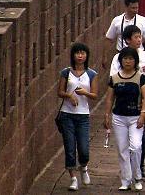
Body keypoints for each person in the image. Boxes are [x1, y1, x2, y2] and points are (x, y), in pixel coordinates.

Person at [105, 47, 145, 191]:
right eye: (125, 59)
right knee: (122, 149)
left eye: (130, 59)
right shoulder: (115, 78)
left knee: (136, 146)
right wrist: (107, 115)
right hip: (119, 117)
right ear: (121, 61)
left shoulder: (140, 77)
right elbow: (110, 98)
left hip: (135, 117)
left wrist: (143, 114)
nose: (128, 61)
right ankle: (126, 180)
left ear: (135, 61)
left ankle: (137, 177)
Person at [57, 42, 99, 191]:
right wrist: (69, 96)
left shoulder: (92, 74)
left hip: (83, 115)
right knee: (69, 146)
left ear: (86, 55)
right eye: (77, 53)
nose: (80, 56)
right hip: (67, 114)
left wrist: (84, 93)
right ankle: (73, 178)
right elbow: (59, 91)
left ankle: (84, 167)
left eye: (83, 53)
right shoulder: (66, 72)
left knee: (83, 147)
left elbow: (94, 95)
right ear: (73, 55)